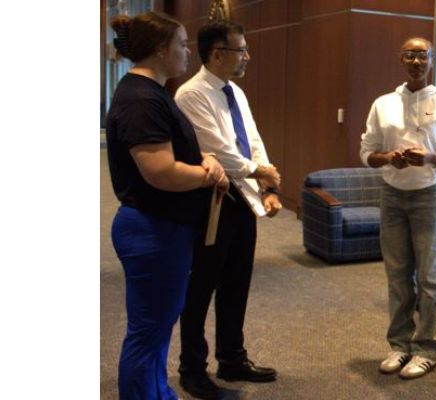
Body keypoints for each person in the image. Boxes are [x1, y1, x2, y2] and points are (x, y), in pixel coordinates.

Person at [106, 11, 229, 400]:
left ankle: (158, 393)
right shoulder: (142, 98)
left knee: (157, 326)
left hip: (162, 228)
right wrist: (210, 174)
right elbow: (160, 172)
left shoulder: (151, 91)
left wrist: (204, 160)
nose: (188, 53)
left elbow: (176, 155)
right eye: (182, 45)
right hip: (153, 230)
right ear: (161, 50)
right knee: (147, 332)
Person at [173, 21, 282, 399]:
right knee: (201, 286)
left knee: (236, 283)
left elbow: (252, 140)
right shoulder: (192, 94)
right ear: (218, 53)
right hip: (211, 201)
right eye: (242, 50)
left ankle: (232, 358)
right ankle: (192, 368)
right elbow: (217, 149)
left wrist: (267, 185)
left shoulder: (235, 91)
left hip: (241, 201)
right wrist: (259, 171)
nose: (248, 56)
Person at [360, 37, 436, 379]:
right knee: (397, 276)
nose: (416, 61)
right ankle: (399, 345)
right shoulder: (383, 104)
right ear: (401, 59)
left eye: (422, 55)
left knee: (430, 277)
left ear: (431, 60)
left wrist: (431, 157)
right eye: (409, 54)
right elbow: (366, 153)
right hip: (392, 196)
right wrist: (388, 158)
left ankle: (426, 349)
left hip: (427, 196)